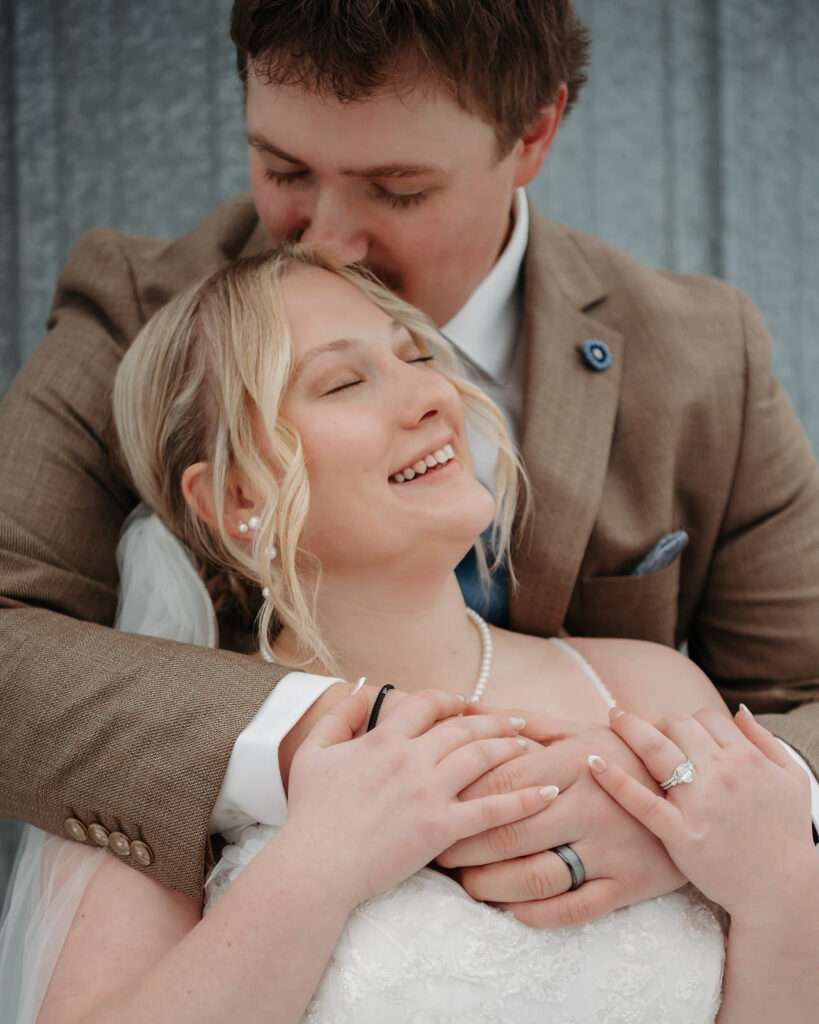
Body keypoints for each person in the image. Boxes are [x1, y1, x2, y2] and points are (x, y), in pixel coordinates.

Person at [1, 0, 818, 926]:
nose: (324, 242)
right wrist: (317, 740)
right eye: (284, 170)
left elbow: (806, 696)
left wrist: (699, 812)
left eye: (396, 188)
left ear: (533, 134)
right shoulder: (138, 309)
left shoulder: (703, 353)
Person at [5, 248, 817, 1023]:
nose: (434, 396)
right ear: (238, 497)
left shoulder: (648, 690)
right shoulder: (154, 762)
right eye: (343, 381)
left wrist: (780, 887)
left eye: (417, 356)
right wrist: (321, 864)